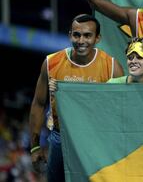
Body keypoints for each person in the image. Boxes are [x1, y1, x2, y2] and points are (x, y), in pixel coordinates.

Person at [29, 14, 124, 182]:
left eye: (87, 35)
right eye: (76, 35)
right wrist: (35, 147)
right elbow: (38, 104)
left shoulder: (111, 67)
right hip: (60, 137)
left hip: (96, 139)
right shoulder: (51, 63)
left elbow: (121, 112)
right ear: (70, 35)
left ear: (97, 38)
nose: (81, 40)